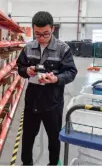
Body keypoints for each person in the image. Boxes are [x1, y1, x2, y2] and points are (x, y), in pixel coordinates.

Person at [17, 11, 77, 166]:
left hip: (53, 101)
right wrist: (26, 71)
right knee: (28, 137)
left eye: (46, 34)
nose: (42, 38)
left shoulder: (63, 49)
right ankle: (27, 163)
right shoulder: (28, 47)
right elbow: (20, 67)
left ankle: (52, 163)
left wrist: (56, 79)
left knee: (54, 138)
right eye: (37, 34)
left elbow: (71, 72)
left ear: (53, 29)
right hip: (32, 101)